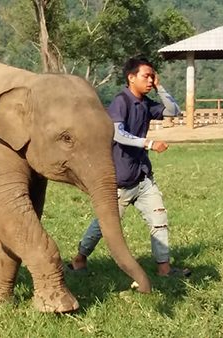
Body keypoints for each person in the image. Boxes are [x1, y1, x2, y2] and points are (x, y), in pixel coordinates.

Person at [68, 57, 190, 278]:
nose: (150, 80)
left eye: (153, 76)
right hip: (120, 180)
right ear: (131, 78)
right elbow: (118, 133)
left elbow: (173, 111)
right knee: (103, 225)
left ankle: (165, 269)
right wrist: (149, 143)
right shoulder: (121, 102)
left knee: (159, 219)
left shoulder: (145, 103)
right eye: (146, 76)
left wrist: (160, 86)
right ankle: (79, 258)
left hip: (143, 177)